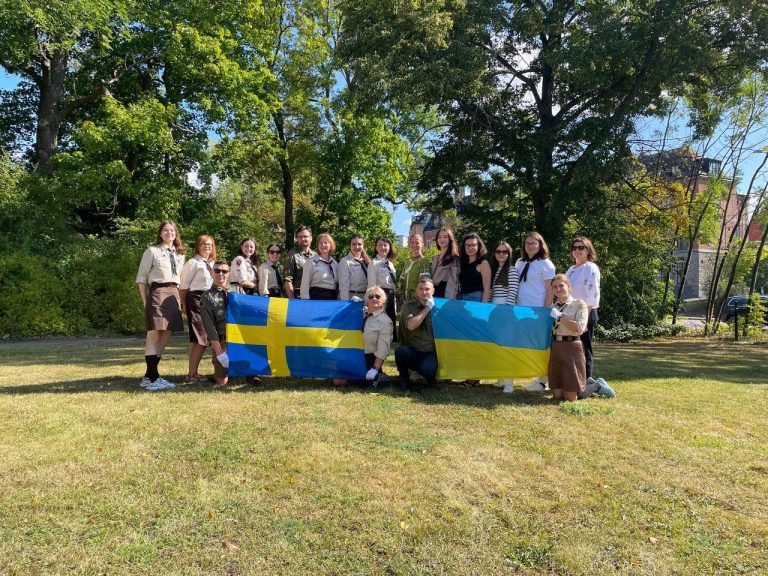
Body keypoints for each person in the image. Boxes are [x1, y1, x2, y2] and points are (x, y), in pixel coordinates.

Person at [135, 220, 186, 391]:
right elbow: (141, 279)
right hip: (157, 292)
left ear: (175, 234)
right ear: (160, 233)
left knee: (166, 334)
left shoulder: (180, 255)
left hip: (173, 294)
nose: (169, 233)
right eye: (165, 230)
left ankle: (150, 376)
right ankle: (153, 378)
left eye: (172, 230)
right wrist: (145, 301)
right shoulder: (152, 251)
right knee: (153, 335)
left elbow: (180, 280)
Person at [549, 274, 614, 401]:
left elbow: (579, 328)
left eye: (561, 285)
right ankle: (583, 385)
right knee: (557, 396)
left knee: (570, 398)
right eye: (555, 287)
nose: (558, 289)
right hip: (556, 347)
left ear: (569, 286)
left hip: (572, 347)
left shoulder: (579, 304)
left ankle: (596, 385)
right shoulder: (553, 308)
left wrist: (561, 317)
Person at [515, 231, 556, 392]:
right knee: (524, 343)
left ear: (540, 245)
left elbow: (549, 289)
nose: (530, 246)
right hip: (520, 309)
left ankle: (542, 380)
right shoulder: (519, 262)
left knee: (539, 345)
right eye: (527, 243)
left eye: (533, 243)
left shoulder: (546, 264)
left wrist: (545, 310)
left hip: (538, 310)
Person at [179, 235, 216, 383]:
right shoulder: (193, 263)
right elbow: (183, 287)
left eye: (210, 244)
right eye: (204, 244)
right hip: (195, 300)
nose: (207, 247)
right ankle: (192, 373)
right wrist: (184, 305)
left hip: (209, 301)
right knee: (202, 338)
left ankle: (192, 373)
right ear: (198, 246)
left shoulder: (212, 264)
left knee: (196, 339)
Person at [566, 236, 601, 379]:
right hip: (571, 314)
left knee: (584, 349)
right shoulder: (571, 269)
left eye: (581, 247)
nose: (577, 250)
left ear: (588, 250)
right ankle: (574, 379)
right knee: (572, 349)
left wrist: (584, 319)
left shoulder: (590, 267)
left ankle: (587, 382)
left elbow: (592, 294)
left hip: (585, 313)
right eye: (574, 248)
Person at [395, 278, 438, 391]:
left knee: (428, 369)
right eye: (421, 289)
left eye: (427, 289)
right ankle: (404, 379)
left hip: (430, 352)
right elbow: (411, 326)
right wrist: (427, 308)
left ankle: (429, 377)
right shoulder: (408, 306)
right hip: (412, 351)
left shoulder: (439, 307)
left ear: (433, 291)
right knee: (401, 352)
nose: (424, 292)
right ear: (416, 291)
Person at [490, 240, 520, 393]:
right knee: (498, 346)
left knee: (507, 347)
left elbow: (513, 293)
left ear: (509, 254)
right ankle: (502, 377)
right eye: (498, 251)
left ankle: (509, 382)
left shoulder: (512, 270)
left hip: (506, 312)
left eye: (504, 252)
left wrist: (506, 314)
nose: (501, 254)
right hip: (494, 311)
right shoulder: (494, 270)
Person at [200, 260, 232, 386]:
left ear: (229, 274)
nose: (221, 274)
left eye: (224, 271)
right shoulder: (207, 297)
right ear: (212, 273)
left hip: (239, 340)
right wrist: (219, 353)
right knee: (221, 381)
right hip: (222, 341)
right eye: (217, 271)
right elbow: (210, 327)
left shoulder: (236, 293)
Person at [362, 285, 393, 388]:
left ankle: (378, 373)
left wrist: (374, 369)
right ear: (366, 300)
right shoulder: (361, 315)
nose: (374, 298)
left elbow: (383, 348)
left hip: (371, 359)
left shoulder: (385, 321)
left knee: (366, 384)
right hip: (356, 355)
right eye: (370, 296)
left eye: (377, 296)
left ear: (383, 299)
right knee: (338, 382)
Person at [367, 236, 398, 330]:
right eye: (380, 245)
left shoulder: (390, 264)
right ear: (376, 248)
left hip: (391, 295)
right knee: (382, 321)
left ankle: (391, 339)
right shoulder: (374, 263)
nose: (383, 247)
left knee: (390, 319)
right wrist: (372, 300)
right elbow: (371, 285)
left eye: (385, 245)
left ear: (390, 247)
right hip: (380, 295)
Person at [300, 233, 339, 300]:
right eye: (320, 243)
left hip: (332, 298)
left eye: (325, 243)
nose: (323, 245)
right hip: (316, 298)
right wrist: (305, 301)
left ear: (330, 245)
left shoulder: (335, 264)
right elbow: (305, 284)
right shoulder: (310, 262)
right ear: (317, 246)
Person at [397, 233, 431, 304]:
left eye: (417, 243)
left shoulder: (424, 262)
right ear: (409, 245)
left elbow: (424, 286)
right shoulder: (408, 262)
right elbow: (401, 282)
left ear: (422, 245)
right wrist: (401, 299)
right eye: (412, 243)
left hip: (417, 304)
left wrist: (412, 301)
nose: (414, 245)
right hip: (405, 303)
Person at [283, 226, 315, 299]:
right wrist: (292, 300)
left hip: (314, 295)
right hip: (298, 296)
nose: (303, 239)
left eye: (305, 236)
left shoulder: (316, 256)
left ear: (311, 238)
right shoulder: (292, 255)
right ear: (297, 238)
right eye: (300, 237)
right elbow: (287, 280)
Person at [459, 232, 491, 302]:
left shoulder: (483, 263)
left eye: (473, 245)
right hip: (461, 298)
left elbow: (487, 289)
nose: (470, 247)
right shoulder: (462, 263)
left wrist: (483, 306)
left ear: (478, 246)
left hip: (476, 298)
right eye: (467, 245)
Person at [430, 226, 460, 299]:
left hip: (446, 293)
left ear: (450, 239)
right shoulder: (435, 258)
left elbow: (455, 281)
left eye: (445, 237)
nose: (442, 239)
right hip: (433, 292)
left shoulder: (454, 258)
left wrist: (450, 298)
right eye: (439, 237)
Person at [338, 234, 370, 300]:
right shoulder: (345, 261)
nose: (357, 247)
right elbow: (344, 285)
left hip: (366, 297)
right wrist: (345, 303)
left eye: (359, 244)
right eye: (354, 244)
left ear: (363, 245)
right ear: (349, 246)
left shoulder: (368, 261)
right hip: (352, 298)